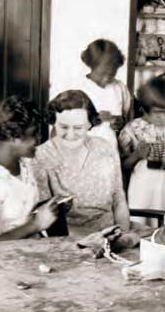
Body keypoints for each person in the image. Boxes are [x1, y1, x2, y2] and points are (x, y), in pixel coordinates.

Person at [33, 90, 130, 237]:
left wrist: (123, 235)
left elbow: (119, 200)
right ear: (53, 121)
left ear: (90, 123)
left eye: (78, 128)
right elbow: (44, 219)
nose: (70, 135)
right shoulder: (41, 156)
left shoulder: (105, 149)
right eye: (63, 127)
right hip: (65, 239)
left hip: (111, 234)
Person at [0, 96, 59, 243]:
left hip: (32, 252)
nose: (39, 139)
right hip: (2, 264)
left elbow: (22, 213)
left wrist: (51, 209)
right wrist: (36, 224)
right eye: (33, 133)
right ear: (12, 137)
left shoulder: (25, 165)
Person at [119, 76, 165, 225]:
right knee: (141, 224)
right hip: (142, 189)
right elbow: (124, 166)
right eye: (157, 112)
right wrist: (137, 155)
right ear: (145, 109)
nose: (163, 117)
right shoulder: (133, 130)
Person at [73, 39, 133, 147]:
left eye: (112, 74)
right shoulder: (78, 88)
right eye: (102, 73)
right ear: (92, 66)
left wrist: (121, 121)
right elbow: (64, 123)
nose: (106, 78)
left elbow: (128, 117)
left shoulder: (119, 88)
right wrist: (91, 120)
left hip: (111, 150)